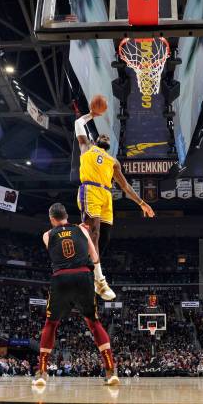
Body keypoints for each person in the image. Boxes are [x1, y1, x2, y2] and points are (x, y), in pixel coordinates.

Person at [74, 98, 155, 300]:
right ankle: (100, 282)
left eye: (107, 137)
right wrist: (91, 115)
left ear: (109, 146)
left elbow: (125, 186)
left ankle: (87, 268)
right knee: (94, 233)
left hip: (106, 196)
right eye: (101, 135)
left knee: (105, 238)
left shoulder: (113, 162)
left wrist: (142, 203)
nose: (104, 136)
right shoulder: (87, 148)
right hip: (90, 190)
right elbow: (78, 123)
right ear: (96, 140)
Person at [33, 203, 119, 387]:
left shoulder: (47, 235)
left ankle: (42, 372)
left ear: (51, 219)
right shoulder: (81, 229)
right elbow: (95, 258)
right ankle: (111, 370)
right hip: (83, 276)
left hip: (61, 278)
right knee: (94, 323)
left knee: (51, 324)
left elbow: (56, 246)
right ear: (66, 216)